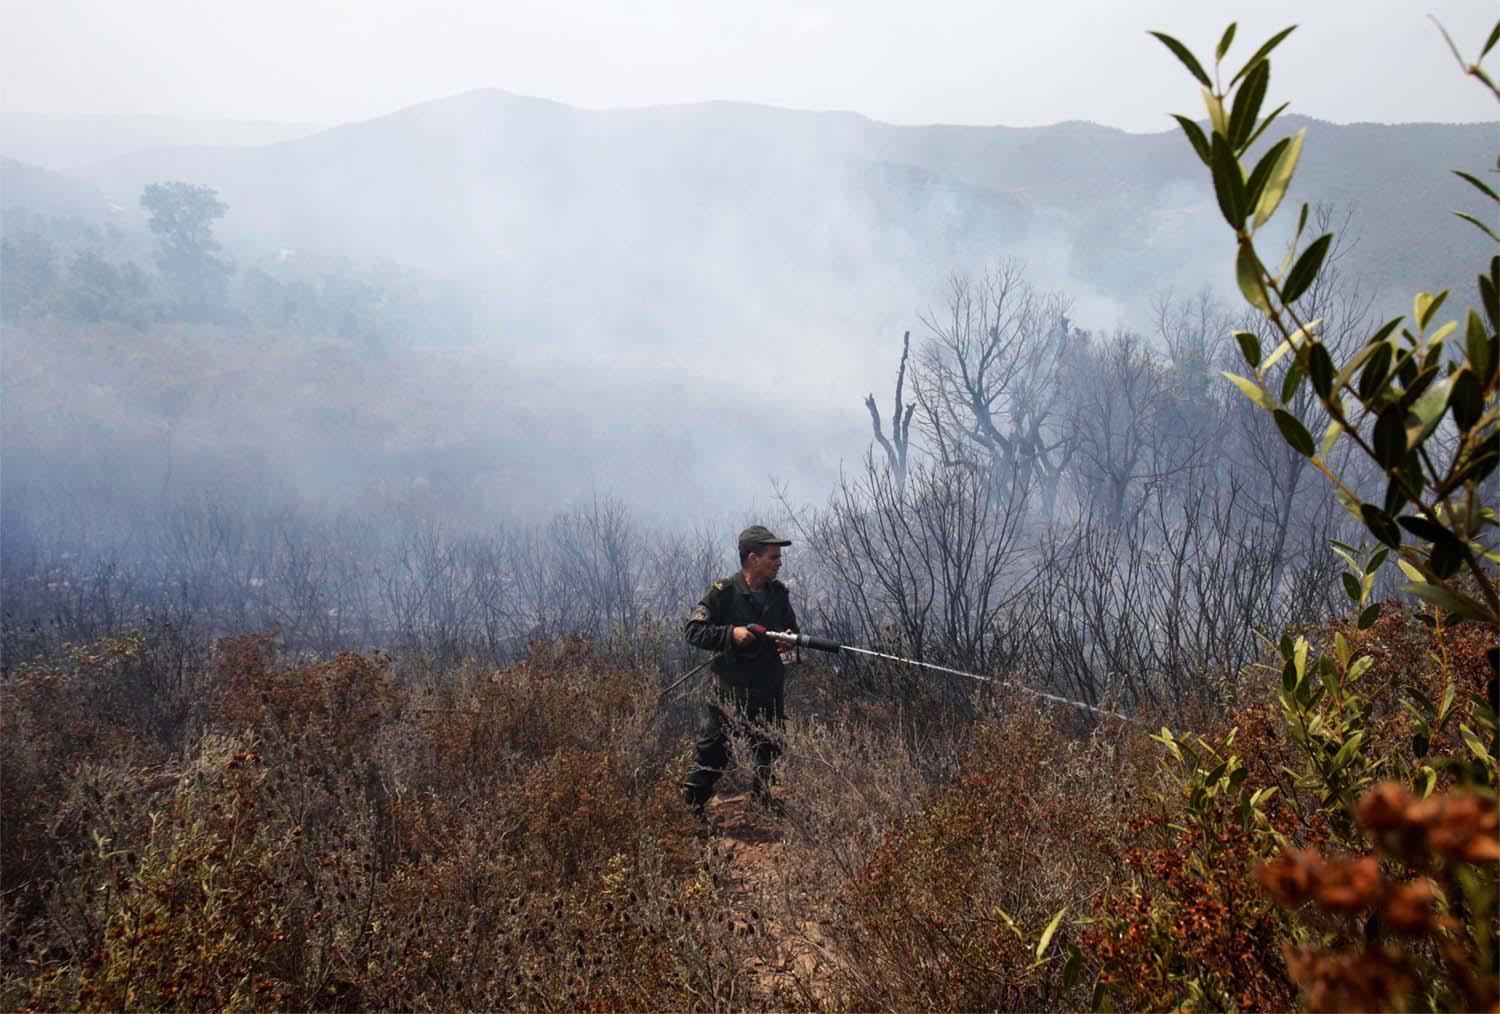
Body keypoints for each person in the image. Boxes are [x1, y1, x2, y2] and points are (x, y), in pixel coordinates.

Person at [682, 525, 799, 823]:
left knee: (768, 749)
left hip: (768, 689)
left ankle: (763, 800)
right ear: (752, 558)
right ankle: (689, 812)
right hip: (729, 694)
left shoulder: (778, 594)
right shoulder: (723, 593)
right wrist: (730, 635)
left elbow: (792, 631)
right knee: (712, 754)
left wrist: (789, 640)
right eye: (773, 557)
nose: (779, 562)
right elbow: (693, 631)